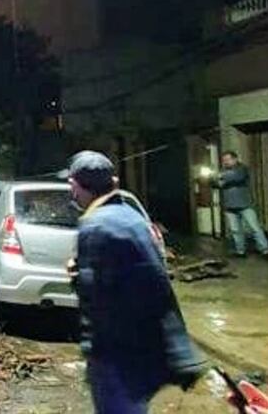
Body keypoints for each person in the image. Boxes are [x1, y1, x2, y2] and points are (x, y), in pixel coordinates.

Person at [67, 151, 204, 413]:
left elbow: (95, 298)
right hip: (146, 349)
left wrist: (75, 277)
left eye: (72, 185)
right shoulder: (133, 218)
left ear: (75, 185)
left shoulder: (95, 225)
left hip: (117, 354)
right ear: (114, 182)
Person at [212, 151, 268, 258]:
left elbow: (237, 177)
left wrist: (221, 177)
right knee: (235, 230)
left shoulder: (242, 168)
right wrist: (219, 178)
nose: (226, 162)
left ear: (235, 159)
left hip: (245, 204)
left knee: (254, 228)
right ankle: (240, 251)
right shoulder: (223, 171)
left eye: (228, 159)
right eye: (224, 160)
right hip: (230, 205)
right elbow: (214, 183)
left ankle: (265, 250)